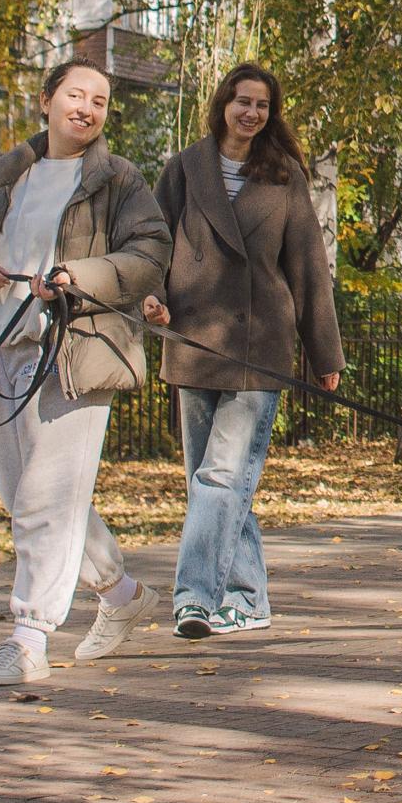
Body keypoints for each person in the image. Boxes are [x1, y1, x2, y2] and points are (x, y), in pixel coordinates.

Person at [0, 61, 172, 686]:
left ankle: (28, 638)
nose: (86, 108)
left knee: (46, 498)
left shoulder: (119, 179)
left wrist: (80, 276)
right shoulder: (3, 175)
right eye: (75, 95)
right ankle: (122, 596)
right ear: (47, 100)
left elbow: (150, 251)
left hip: (76, 353)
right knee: (26, 499)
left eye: (99, 100)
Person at [142, 63, 343, 640]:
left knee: (222, 478)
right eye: (242, 102)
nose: (251, 113)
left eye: (261, 105)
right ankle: (250, 599)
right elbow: (152, 245)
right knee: (216, 482)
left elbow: (308, 268)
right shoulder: (184, 169)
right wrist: (151, 298)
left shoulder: (285, 177)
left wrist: (324, 353)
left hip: (260, 347)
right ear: (223, 104)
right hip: (193, 341)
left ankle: (193, 600)